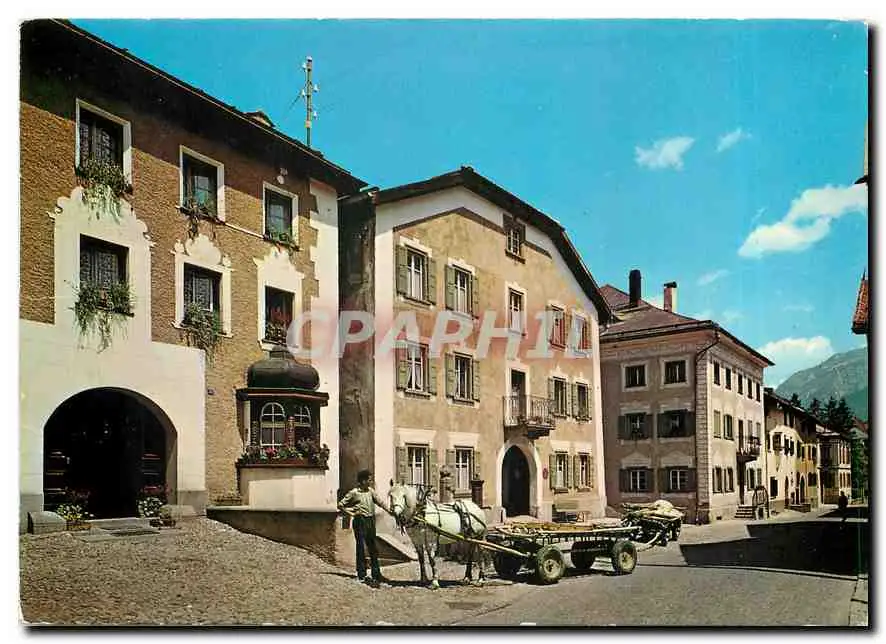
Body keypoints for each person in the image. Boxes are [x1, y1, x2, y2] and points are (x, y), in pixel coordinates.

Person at [338, 469, 390, 587]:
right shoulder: (354, 493)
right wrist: (352, 513)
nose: (370, 482)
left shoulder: (371, 491)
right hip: (360, 521)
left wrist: (390, 511)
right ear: (362, 481)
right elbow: (340, 505)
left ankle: (376, 574)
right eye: (369, 480)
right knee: (361, 548)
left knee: (373, 548)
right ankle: (362, 574)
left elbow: (380, 502)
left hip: (370, 521)